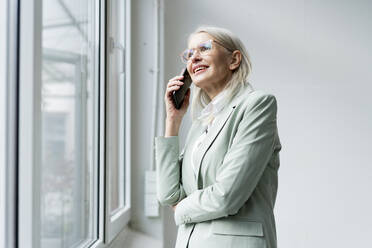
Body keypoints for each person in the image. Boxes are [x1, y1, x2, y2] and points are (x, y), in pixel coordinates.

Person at [155, 26, 282, 248]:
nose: (194, 57)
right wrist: (172, 121)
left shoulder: (257, 105)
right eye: (189, 54)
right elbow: (168, 194)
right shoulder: (202, 123)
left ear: (234, 60)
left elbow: (227, 196)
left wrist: (181, 208)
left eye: (204, 48)